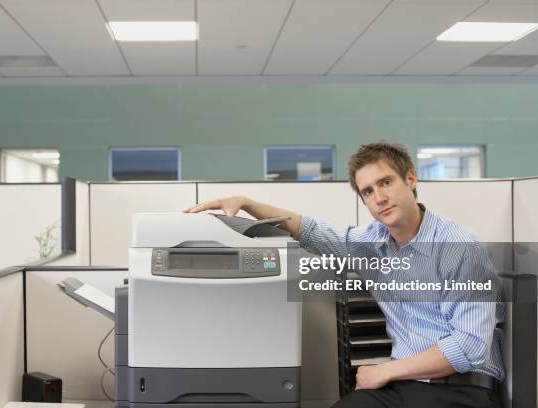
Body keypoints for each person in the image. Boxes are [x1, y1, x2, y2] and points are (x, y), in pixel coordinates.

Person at [184, 141, 504, 408]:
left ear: (411, 179)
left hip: (465, 391)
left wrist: (385, 372)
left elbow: (469, 346)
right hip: (403, 387)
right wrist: (247, 203)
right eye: (367, 191)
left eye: (386, 182)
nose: (378, 197)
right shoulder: (372, 243)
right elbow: (311, 231)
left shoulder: (461, 248)